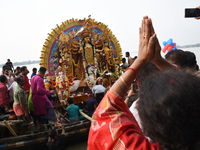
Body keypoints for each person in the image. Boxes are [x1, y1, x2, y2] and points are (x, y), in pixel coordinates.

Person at [88, 16, 178, 150]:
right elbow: (192, 89)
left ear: (138, 84)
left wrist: (140, 60)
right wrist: (158, 59)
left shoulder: (139, 144)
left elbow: (105, 115)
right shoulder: (191, 125)